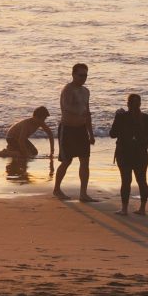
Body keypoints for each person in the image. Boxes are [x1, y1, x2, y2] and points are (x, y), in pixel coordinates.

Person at [108, 92, 148, 215]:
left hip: (124, 153)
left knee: (126, 181)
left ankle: (124, 209)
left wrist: (117, 116)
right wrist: (147, 141)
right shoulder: (145, 118)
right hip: (140, 153)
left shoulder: (121, 117)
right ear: (140, 104)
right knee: (142, 180)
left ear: (127, 104)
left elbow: (112, 134)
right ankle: (142, 209)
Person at [51, 62, 95, 201]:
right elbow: (66, 107)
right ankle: (57, 189)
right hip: (68, 129)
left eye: (85, 75)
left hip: (81, 129)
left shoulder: (86, 91)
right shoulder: (68, 90)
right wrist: (80, 112)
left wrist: (91, 133)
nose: (83, 78)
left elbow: (87, 113)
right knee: (66, 161)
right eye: (81, 75)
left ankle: (83, 193)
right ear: (73, 75)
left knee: (85, 160)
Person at [1, 107, 51, 179]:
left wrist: (52, 150)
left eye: (44, 119)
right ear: (36, 117)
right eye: (43, 118)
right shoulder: (26, 124)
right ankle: (6, 152)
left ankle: (12, 148)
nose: (43, 121)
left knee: (34, 152)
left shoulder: (40, 122)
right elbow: (21, 141)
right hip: (11, 138)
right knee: (22, 154)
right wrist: (26, 153)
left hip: (21, 138)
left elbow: (50, 134)